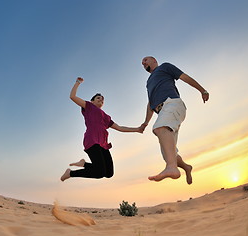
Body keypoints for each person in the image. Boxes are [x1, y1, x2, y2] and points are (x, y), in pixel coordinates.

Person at [140, 56, 209, 184]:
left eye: (145, 60)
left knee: (159, 128)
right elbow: (150, 104)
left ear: (154, 60)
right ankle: (186, 167)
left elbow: (185, 77)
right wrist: (145, 123)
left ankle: (172, 168)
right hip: (162, 112)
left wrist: (202, 90)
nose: (143, 63)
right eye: (142, 63)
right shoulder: (149, 82)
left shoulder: (165, 67)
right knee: (169, 154)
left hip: (172, 104)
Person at [61, 77, 142, 181]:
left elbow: (120, 128)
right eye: (98, 98)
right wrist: (78, 82)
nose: (101, 100)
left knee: (108, 173)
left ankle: (83, 164)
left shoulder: (106, 117)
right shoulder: (89, 107)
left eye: (102, 99)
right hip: (92, 141)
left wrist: (137, 129)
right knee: (99, 172)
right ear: (92, 101)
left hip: (103, 144)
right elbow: (72, 96)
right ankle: (70, 173)